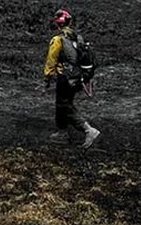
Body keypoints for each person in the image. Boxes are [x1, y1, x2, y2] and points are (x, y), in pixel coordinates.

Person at [43, 9, 101, 148]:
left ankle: (88, 130)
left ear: (57, 25)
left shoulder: (58, 40)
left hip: (66, 78)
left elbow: (51, 61)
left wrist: (47, 77)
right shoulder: (77, 37)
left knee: (65, 105)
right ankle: (62, 132)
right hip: (78, 77)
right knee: (62, 103)